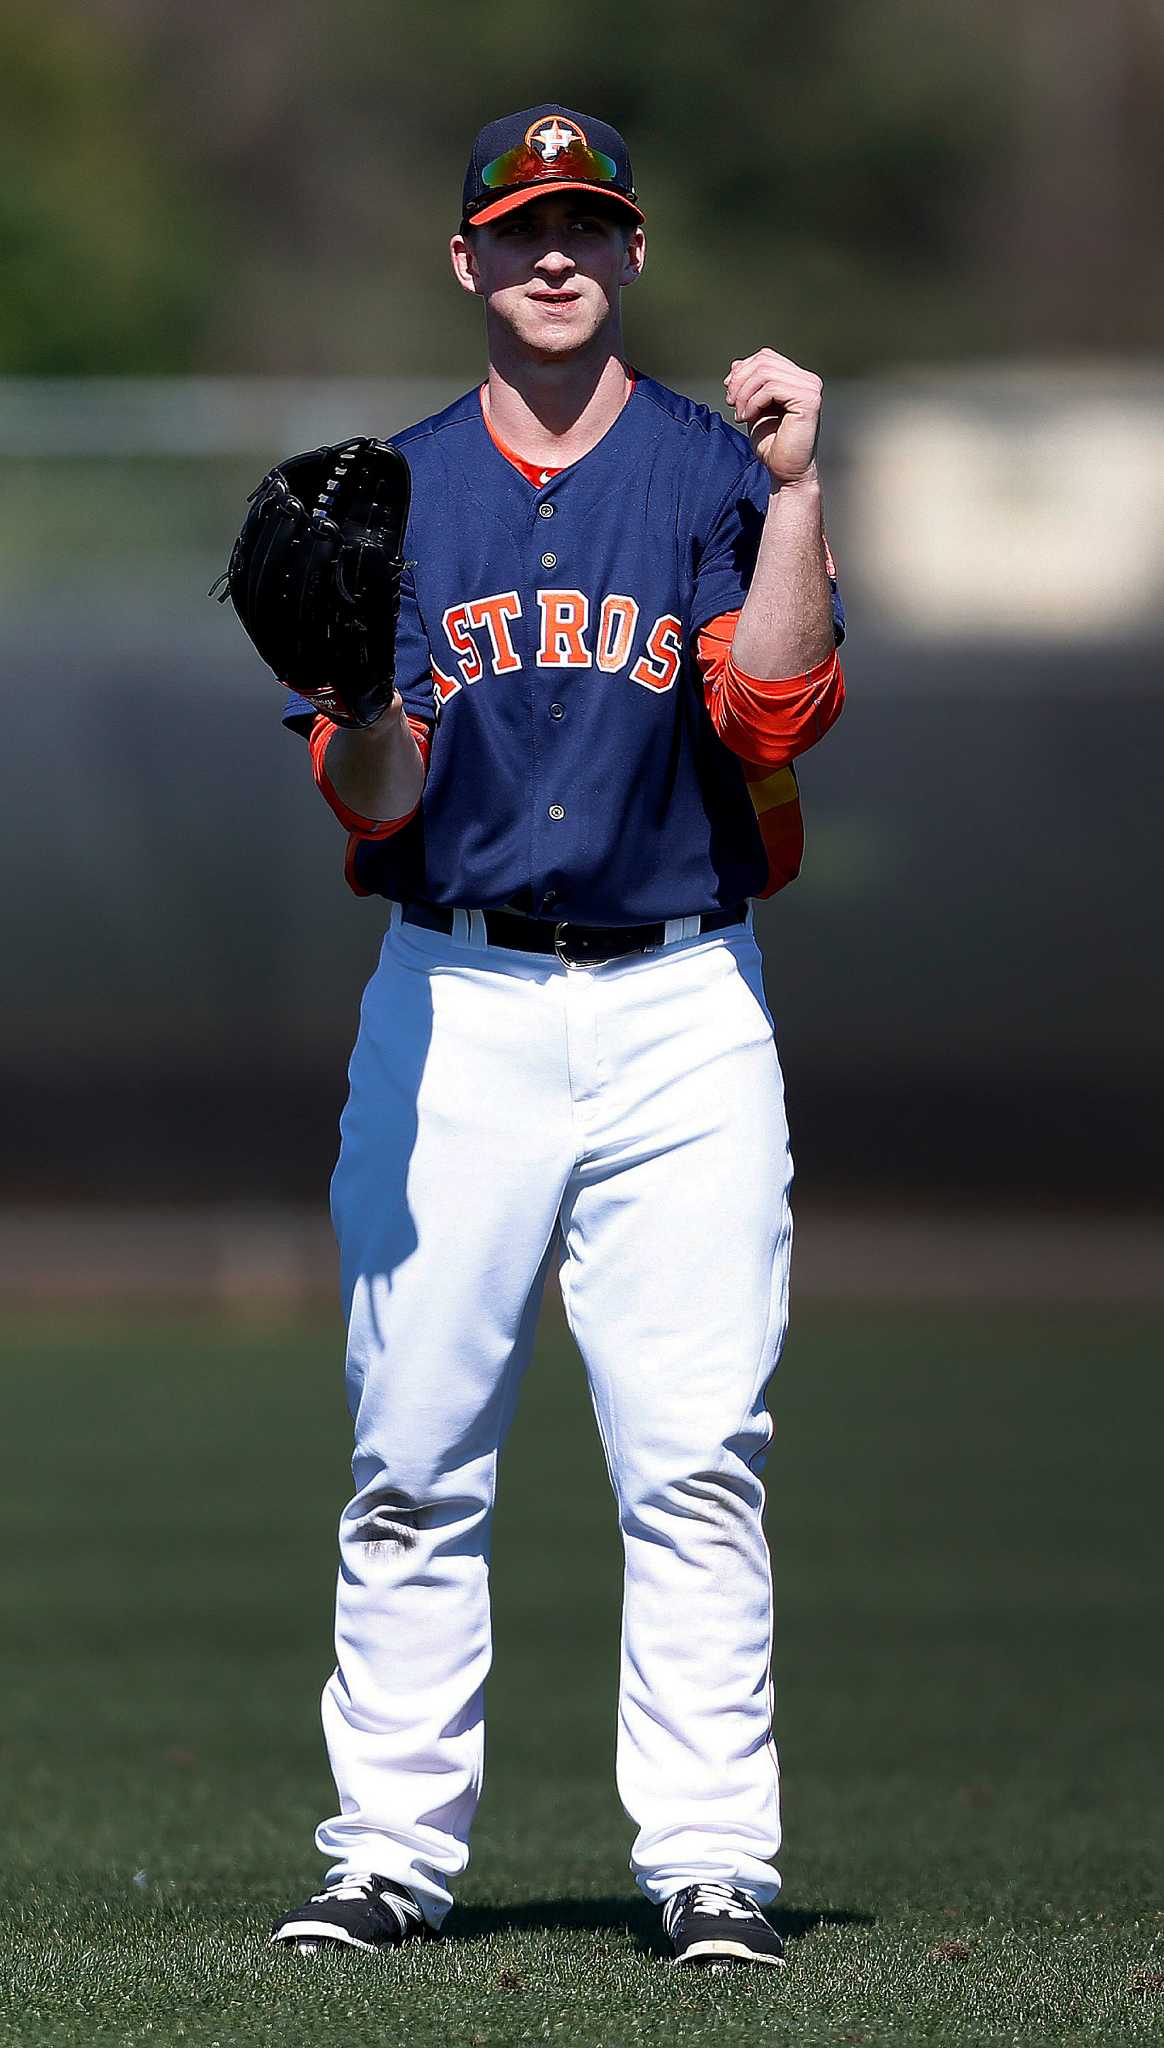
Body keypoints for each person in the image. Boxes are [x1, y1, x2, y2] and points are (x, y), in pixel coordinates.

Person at [270, 103, 845, 1969]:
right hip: (457, 999)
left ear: (633, 253)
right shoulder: (399, 494)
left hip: (682, 1003)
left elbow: (773, 714)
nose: (554, 255)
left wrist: (800, 494)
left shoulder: (712, 469)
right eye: (522, 226)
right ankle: (388, 1857)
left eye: (586, 224)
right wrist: (357, 683)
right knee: (413, 1452)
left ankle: (709, 1865)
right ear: (465, 260)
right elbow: (373, 798)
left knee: (694, 1457)